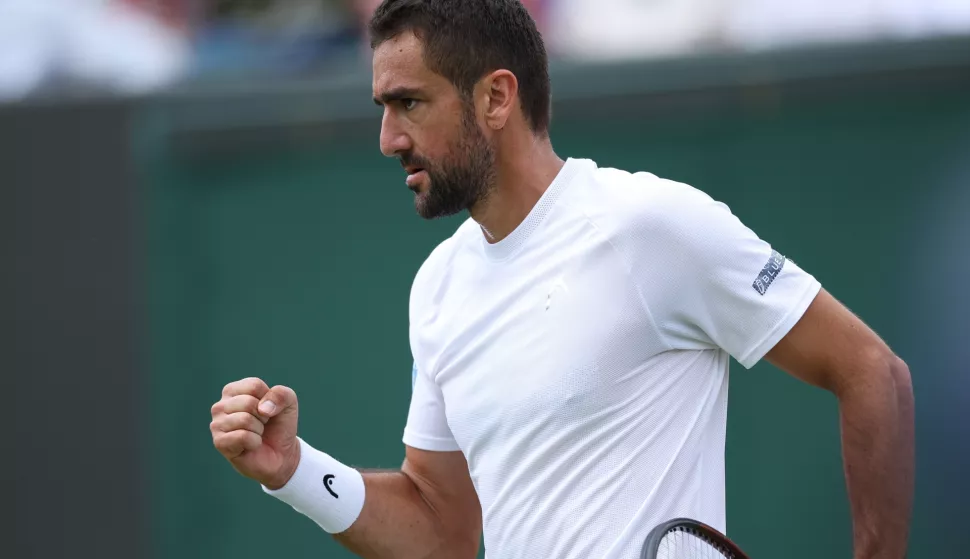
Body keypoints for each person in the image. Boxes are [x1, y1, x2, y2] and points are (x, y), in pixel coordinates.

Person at [208, 1, 915, 558]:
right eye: (383, 108)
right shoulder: (439, 285)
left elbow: (873, 372)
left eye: (410, 103)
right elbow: (440, 531)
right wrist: (295, 470)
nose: (389, 138)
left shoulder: (649, 225)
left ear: (496, 97)